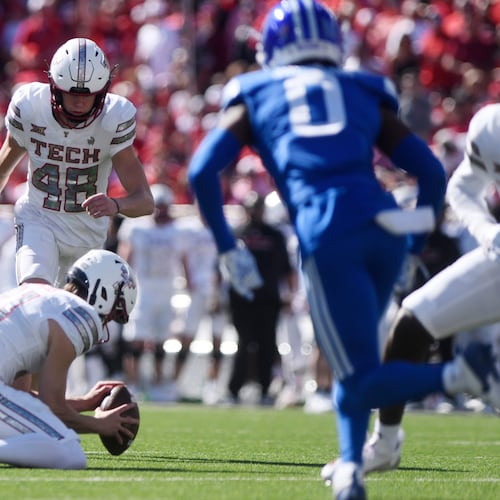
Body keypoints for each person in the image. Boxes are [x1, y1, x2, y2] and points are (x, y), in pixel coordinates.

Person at [187, 2, 499, 498]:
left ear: (274, 47)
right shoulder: (362, 87)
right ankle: (351, 467)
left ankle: (466, 373)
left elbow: (201, 172)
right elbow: (432, 173)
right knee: (355, 363)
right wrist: (414, 244)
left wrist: (227, 248)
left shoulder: (256, 90)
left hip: (328, 231)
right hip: (384, 226)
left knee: (355, 380)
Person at [355, 102, 500, 476]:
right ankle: (385, 444)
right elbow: (463, 187)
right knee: (412, 321)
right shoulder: (490, 126)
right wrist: (488, 231)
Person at [0, 37, 154, 287]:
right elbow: (4, 166)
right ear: (54, 87)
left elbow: (145, 201)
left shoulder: (113, 119)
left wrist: (116, 205)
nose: (80, 102)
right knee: (36, 297)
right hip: (39, 219)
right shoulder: (30, 107)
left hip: (87, 236)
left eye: (89, 95)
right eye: (72, 94)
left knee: (77, 320)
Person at [0, 248, 139, 469]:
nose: (105, 323)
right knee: (69, 450)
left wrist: (83, 403)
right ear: (104, 292)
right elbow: (52, 406)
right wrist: (99, 425)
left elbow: (20, 396)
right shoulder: (79, 314)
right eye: (113, 313)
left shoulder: (39, 294)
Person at [117, 183, 189, 401]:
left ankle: (158, 383)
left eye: (164, 206)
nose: (160, 211)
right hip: (142, 288)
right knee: (136, 339)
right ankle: (134, 382)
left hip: (166, 288)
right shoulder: (136, 227)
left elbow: (184, 259)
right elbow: (125, 255)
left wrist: (188, 282)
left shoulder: (178, 230)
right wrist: (121, 283)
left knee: (160, 340)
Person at [225, 191, 295, 406]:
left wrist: (290, 294)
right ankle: (234, 390)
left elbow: (286, 269)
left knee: (267, 344)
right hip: (241, 299)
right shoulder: (236, 233)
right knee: (244, 343)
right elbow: (222, 266)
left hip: (268, 298)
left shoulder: (275, 235)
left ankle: (265, 389)